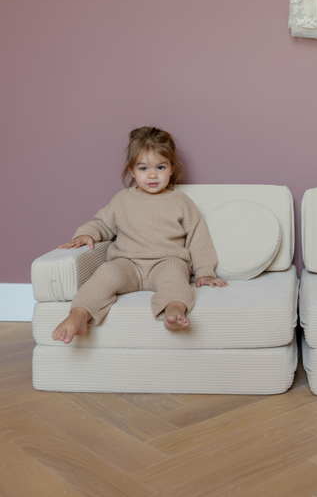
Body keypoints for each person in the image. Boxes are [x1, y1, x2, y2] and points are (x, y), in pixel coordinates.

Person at [52, 127, 227, 344]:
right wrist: (87, 233)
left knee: (175, 278)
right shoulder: (122, 200)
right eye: (144, 168)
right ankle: (79, 314)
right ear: (132, 171)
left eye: (160, 167)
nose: (152, 175)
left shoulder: (181, 202)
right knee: (105, 274)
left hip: (166, 261)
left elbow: (198, 238)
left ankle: (173, 310)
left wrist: (204, 272)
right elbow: (102, 223)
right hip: (128, 264)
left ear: (171, 169)